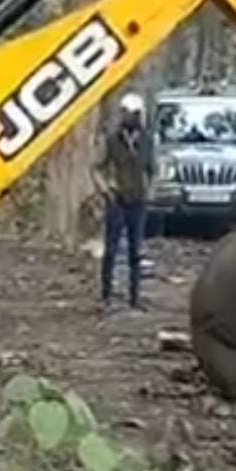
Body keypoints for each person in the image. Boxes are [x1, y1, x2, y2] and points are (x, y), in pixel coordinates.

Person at [92, 92, 154, 311]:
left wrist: (149, 190)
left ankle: (134, 298)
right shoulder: (112, 139)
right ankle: (106, 296)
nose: (130, 118)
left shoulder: (146, 140)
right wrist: (106, 189)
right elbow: (98, 167)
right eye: (126, 114)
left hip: (138, 201)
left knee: (135, 251)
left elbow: (152, 168)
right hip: (117, 200)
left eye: (134, 114)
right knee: (111, 250)